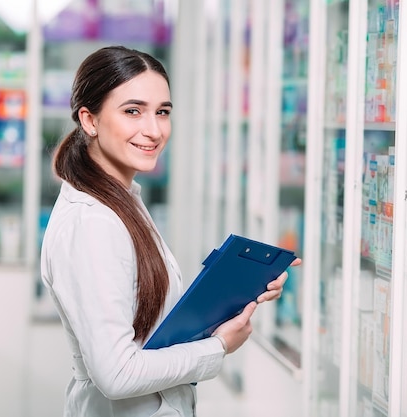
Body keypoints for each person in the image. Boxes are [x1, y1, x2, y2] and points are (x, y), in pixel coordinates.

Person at [40, 45, 301, 417]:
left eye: (163, 112)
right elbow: (116, 374)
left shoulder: (123, 201)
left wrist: (235, 298)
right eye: (133, 111)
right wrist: (218, 347)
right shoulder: (92, 223)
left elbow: (149, 335)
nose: (154, 130)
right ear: (89, 120)